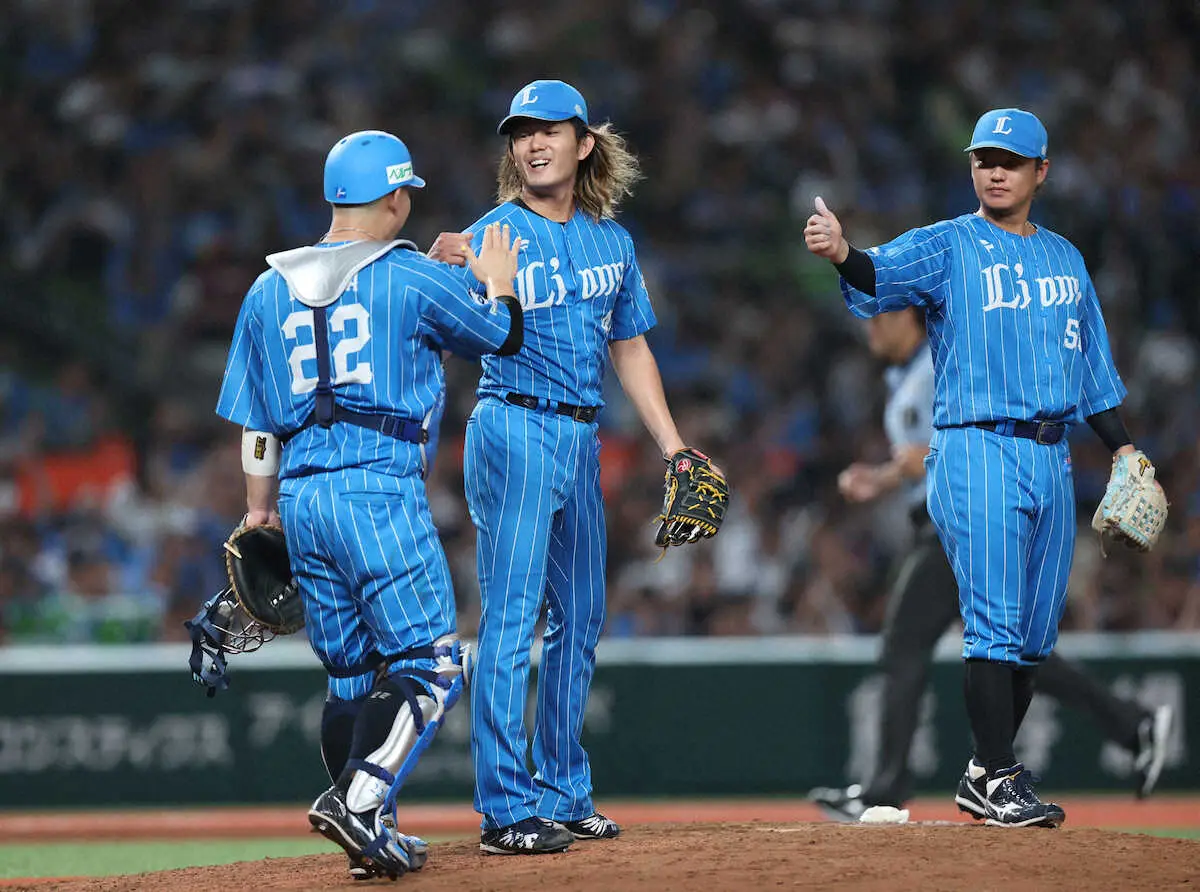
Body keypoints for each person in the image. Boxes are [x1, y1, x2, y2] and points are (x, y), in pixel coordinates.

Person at [803, 107, 1166, 828]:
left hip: (1053, 455)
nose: (995, 170)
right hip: (975, 446)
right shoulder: (949, 245)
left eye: (1010, 159)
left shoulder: (1066, 259)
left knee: (1033, 637)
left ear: (1041, 171)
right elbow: (880, 274)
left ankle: (981, 772)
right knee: (995, 625)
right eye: (984, 158)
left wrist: (1122, 447)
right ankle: (999, 774)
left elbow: (1093, 371)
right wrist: (844, 252)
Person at [214, 129, 525, 877]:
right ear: (393, 195)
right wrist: (496, 277)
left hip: (300, 496)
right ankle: (356, 803)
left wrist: (260, 512)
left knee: (351, 674)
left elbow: (257, 423)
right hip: (377, 485)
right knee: (433, 661)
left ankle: (368, 831)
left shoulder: (265, 290)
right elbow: (502, 335)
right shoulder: (411, 277)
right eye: (406, 190)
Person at [428, 79, 722, 854]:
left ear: (583, 142)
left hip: (582, 438)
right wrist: (439, 266)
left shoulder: (611, 241)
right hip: (513, 425)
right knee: (511, 617)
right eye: (520, 131)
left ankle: (561, 790)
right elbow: (437, 315)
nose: (532, 142)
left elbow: (630, 347)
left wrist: (672, 444)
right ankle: (503, 807)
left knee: (582, 619)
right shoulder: (492, 233)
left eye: (548, 130)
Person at [806, 307, 1174, 822]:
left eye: (878, 319)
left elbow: (924, 452)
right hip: (969, 516)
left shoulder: (934, 365)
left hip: (953, 524)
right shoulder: (915, 370)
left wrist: (879, 478)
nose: (870, 329)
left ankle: (884, 790)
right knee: (1015, 651)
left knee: (904, 645)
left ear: (907, 320)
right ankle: (1130, 724)